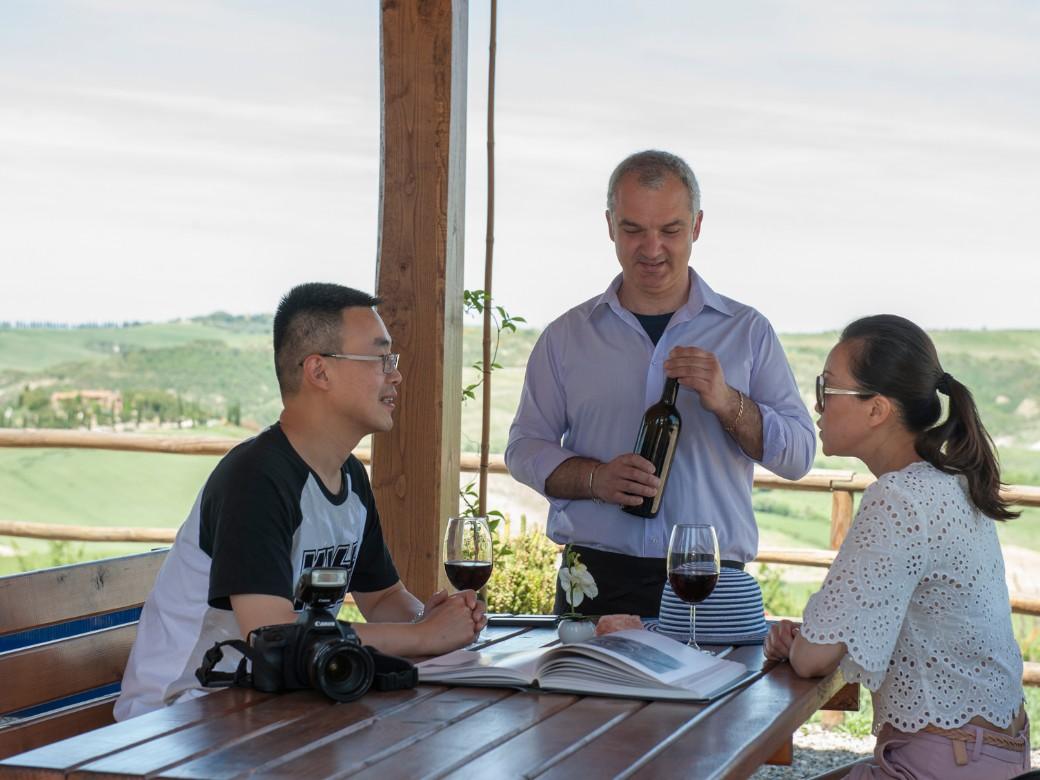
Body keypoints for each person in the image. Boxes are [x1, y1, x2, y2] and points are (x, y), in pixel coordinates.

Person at [115, 283, 485, 720]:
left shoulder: (349, 476)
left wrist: (433, 620)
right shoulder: (256, 477)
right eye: (380, 358)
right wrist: (423, 637)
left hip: (269, 706)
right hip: (179, 714)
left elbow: (383, 597)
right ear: (319, 371)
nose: (396, 375)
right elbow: (270, 634)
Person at [505, 150, 815, 618]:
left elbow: (798, 456)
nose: (652, 249)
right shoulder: (565, 336)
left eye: (670, 230)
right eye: (633, 230)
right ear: (610, 226)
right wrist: (595, 479)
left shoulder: (748, 332)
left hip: (712, 581)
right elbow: (524, 448)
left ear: (697, 226)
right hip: (595, 580)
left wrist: (728, 402)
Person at [764, 315, 1028, 778]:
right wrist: (816, 638)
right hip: (994, 755)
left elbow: (812, 659)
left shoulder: (900, 497)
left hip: (946, 762)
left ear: (877, 409)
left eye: (827, 387)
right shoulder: (951, 480)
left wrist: (802, 643)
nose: (817, 404)